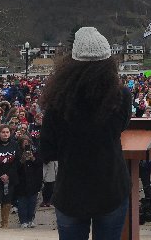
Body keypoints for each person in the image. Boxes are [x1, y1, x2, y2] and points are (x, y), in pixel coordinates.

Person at [40, 27, 132, 240]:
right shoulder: (121, 96)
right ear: (109, 61)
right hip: (111, 187)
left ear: (71, 63)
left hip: (71, 191)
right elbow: (121, 127)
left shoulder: (57, 102)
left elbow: (48, 150)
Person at [0, 124, 19, 228]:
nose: (5, 134)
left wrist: (8, 175)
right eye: (3, 132)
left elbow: (16, 162)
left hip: (10, 177)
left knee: (7, 201)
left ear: (10, 133)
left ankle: (5, 223)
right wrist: (1, 174)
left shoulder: (14, 145)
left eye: (7, 132)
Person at [16, 135, 43, 228]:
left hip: (33, 181)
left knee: (32, 202)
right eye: (24, 143)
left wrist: (32, 158)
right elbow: (15, 167)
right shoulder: (17, 152)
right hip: (21, 181)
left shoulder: (35, 151)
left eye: (28, 143)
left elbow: (39, 164)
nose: (26, 144)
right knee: (22, 202)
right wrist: (22, 160)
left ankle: (30, 219)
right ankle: (23, 221)